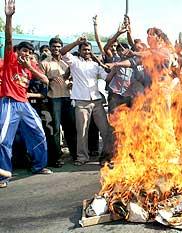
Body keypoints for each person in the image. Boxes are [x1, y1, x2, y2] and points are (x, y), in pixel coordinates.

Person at [0, 0, 53, 188]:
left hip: (24, 104)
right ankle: (3, 175)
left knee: (39, 133)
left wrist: (29, 65)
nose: (27, 53)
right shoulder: (10, 60)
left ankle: (39, 166)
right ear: (17, 51)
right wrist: (8, 17)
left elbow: (46, 81)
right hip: (8, 103)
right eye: (24, 50)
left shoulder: (30, 67)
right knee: (3, 138)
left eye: (30, 52)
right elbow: (8, 39)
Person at [60, 36, 114, 165]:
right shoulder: (74, 62)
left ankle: (107, 157)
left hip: (97, 101)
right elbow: (62, 52)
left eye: (89, 50)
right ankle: (82, 157)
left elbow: (106, 78)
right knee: (82, 131)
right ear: (79, 50)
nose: (87, 52)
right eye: (84, 49)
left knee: (105, 130)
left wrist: (115, 68)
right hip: (81, 102)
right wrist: (76, 42)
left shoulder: (95, 65)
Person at [41, 37, 77, 167]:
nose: (56, 49)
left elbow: (72, 77)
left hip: (67, 97)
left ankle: (75, 155)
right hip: (54, 99)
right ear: (50, 48)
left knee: (71, 128)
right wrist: (51, 79)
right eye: (54, 47)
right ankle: (56, 158)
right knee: (55, 130)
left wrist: (71, 82)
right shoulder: (45, 63)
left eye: (58, 46)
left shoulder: (67, 63)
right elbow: (41, 81)